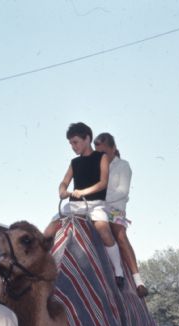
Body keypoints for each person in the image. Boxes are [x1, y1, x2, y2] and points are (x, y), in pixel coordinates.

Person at [44, 122, 124, 286]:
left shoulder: (101, 158)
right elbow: (64, 182)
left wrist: (83, 192)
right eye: (71, 143)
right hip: (74, 205)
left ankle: (118, 270)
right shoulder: (75, 163)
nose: (73, 147)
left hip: (95, 204)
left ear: (87, 138)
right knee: (49, 229)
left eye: (75, 142)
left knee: (103, 229)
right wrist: (62, 190)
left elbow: (103, 183)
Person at [93, 132, 148, 297]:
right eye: (98, 152)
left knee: (120, 234)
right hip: (96, 207)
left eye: (104, 152)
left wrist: (100, 197)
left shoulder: (123, 166)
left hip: (115, 209)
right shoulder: (97, 166)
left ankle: (137, 280)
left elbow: (122, 192)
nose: (101, 156)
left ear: (113, 148)